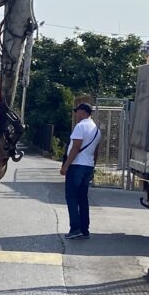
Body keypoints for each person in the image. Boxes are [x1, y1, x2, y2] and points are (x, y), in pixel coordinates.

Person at [60, 102, 100, 239]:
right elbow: (96, 151)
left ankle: (75, 228)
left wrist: (66, 165)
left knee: (71, 197)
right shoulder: (96, 129)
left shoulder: (81, 126)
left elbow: (76, 147)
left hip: (76, 165)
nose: (76, 114)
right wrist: (93, 167)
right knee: (83, 199)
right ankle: (84, 229)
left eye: (77, 111)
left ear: (83, 112)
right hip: (88, 166)